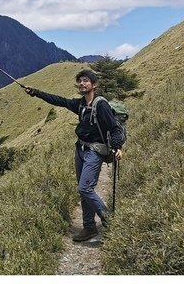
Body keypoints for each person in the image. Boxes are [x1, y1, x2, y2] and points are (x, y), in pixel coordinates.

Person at [25, 69, 123, 242]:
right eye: (80, 81)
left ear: (94, 85)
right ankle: (89, 227)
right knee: (83, 190)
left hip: (94, 151)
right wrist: (35, 93)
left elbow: (115, 128)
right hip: (80, 149)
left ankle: (110, 220)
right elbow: (59, 101)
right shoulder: (80, 105)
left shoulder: (101, 105)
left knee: (85, 188)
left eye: (86, 81)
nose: (82, 84)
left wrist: (117, 147)